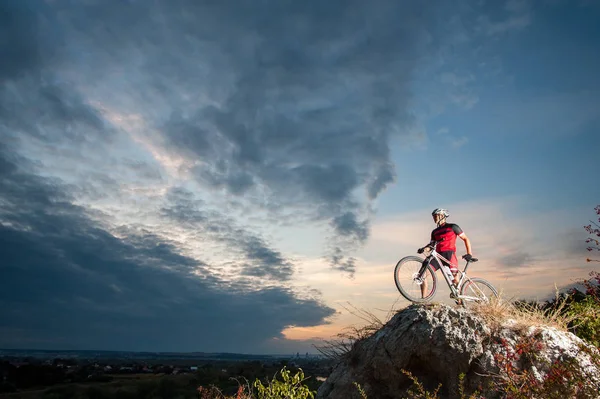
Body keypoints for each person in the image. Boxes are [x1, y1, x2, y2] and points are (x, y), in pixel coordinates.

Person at [417, 208, 473, 296]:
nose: (434, 218)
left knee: (455, 280)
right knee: (422, 274)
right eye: (433, 217)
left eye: (436, 216)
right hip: (438, 256)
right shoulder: (434, 232)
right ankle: (423, 300)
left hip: (449, 254)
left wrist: (469, 253)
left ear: (442, 216)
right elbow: (431, 245)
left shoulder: (453, 227)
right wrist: (424, 249)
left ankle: (460, 300)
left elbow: (465, 238)